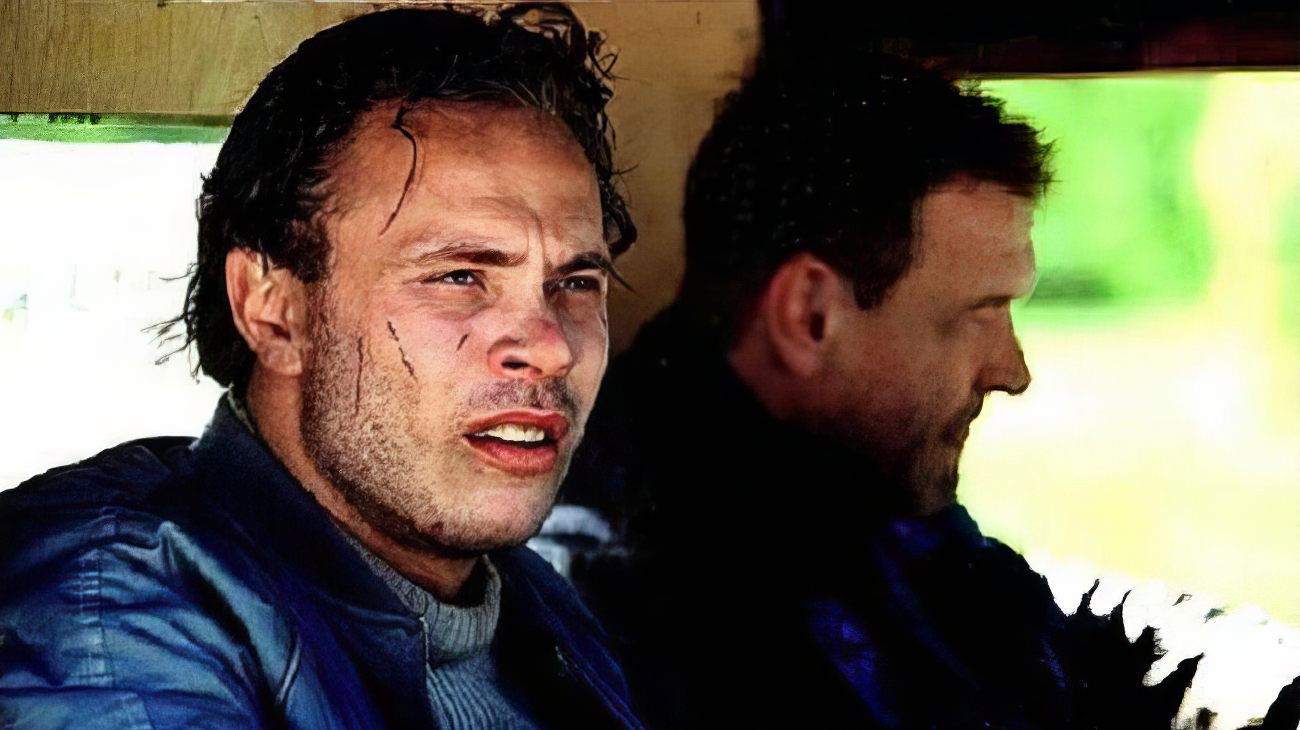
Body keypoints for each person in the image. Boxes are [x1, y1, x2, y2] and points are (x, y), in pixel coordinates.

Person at [0, 6, 644, 728]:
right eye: (459, 276)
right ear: (274, 309)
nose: (553, 347)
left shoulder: (534, 606)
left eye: (575, 283)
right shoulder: (117, 623)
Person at [560, 47, 1208, 728]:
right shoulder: (643, 600)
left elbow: (1026, 622)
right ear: (810, 316)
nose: (1012, 371)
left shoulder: (850, 478)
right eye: (981, 313)